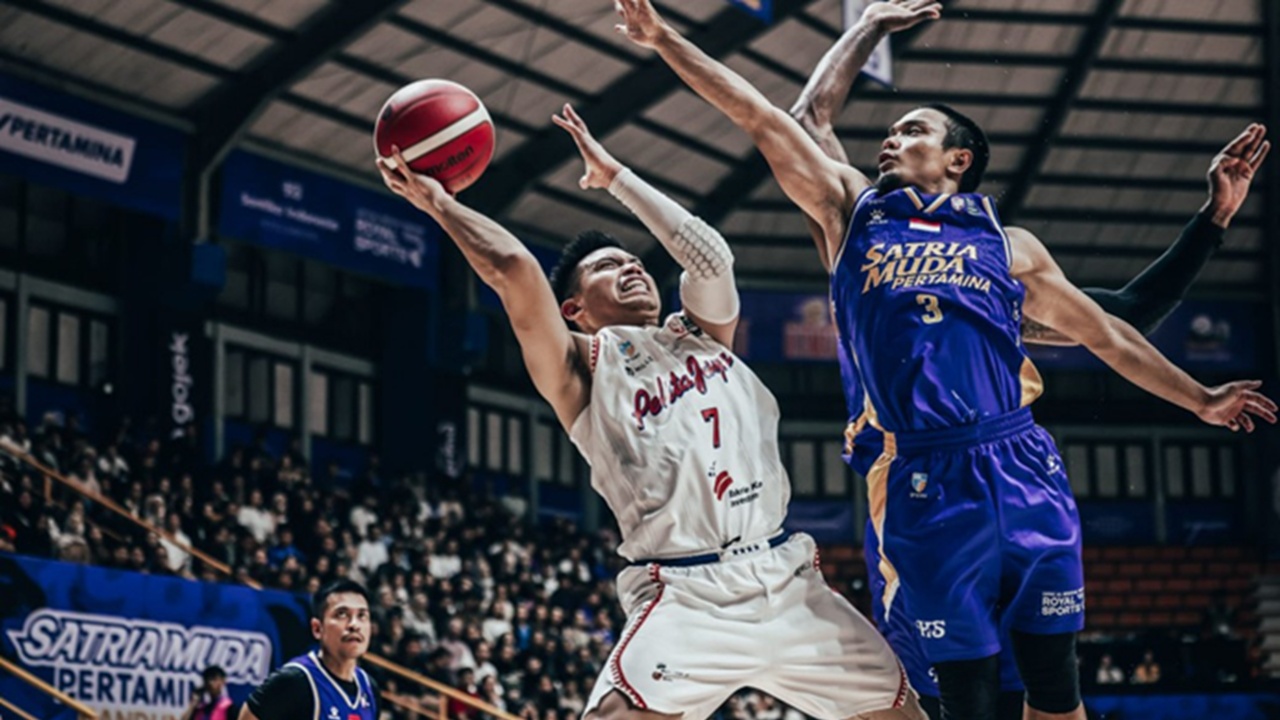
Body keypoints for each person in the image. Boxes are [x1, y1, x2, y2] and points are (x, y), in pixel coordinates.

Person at [610, 1, 1277, 718]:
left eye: (910, 129)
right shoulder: (853, 216)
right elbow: (775, 119)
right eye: (891, 130)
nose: (888, 140)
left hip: (1016, 462)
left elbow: (1119, 325)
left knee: (1052, 683)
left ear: (958, 158)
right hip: (912, 469)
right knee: (957, 692)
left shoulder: (1006, 248)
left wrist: (1204, 354)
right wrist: (671, 38)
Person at [378, 105, 923, 719]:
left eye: (632, 260)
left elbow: (712, 260)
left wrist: (616, 178)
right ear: (574, 310)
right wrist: (439, 204)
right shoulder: (581, 365)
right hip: (689, 594)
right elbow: (514, 271)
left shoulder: (704, 334)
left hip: (789, 579)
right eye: (607, 267)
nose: (631, 265)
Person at [238, 580, 378, 720]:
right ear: (317, 628)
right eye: (342, 614)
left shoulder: (369, 687)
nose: (354, 625)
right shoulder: (294, 681)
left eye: (361, 616)